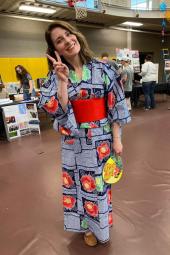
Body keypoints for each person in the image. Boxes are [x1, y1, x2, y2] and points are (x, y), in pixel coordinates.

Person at [39, 21, 131, 246]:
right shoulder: (54, 77)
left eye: (68, 35)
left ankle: (101, 223)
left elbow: (117, 105)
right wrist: (62, 82)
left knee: (100, 184)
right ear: (55, 51)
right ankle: (87, 227)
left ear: (76, 36)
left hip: (102, 138)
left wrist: (117, 139)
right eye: (59, 40)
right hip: (74, 141)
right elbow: (56, 110)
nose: (67, 41)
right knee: (77, 185)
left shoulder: (104, 68)